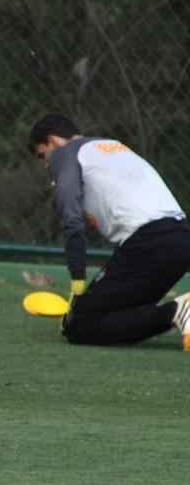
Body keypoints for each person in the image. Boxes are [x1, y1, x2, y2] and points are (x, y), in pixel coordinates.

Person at [27, 114, 190, 348]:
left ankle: (177, 310)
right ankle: (179, 312)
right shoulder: (112, 145)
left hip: (150, 241)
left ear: (53, 141)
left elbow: (71, 220)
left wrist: (78, 282)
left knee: (79, 325)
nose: (46, 165)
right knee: (124, 311)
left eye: (43, 155)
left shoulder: (65, 153)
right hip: (181, 238)